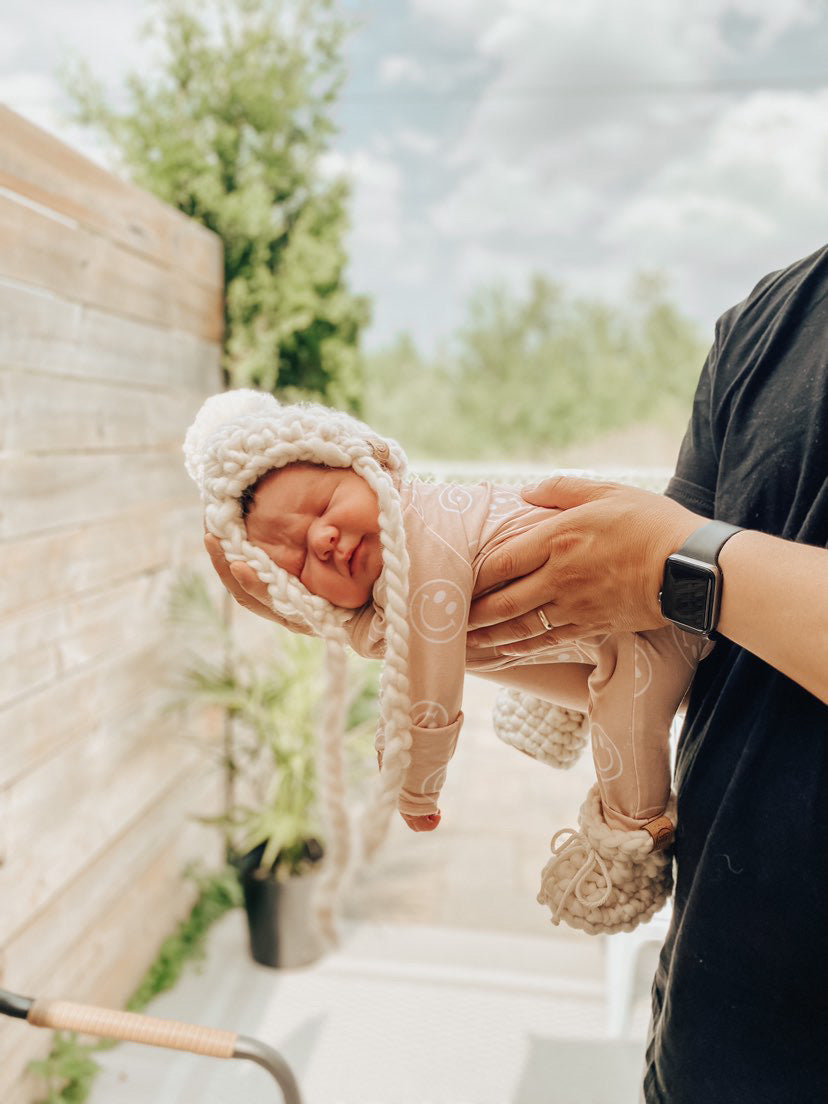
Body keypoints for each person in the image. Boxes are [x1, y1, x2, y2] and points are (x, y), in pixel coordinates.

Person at [460, 246, 827, 1104]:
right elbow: (674, 645)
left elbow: (682, 572)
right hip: (707, 1045)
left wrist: (677, 556)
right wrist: (398, 617)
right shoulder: (768, 321)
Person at [187, 390, 709, 936]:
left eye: (323, 504)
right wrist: (343, 622)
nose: (321, 539)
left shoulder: (422, 544)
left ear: (370, 466)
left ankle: (630, 838)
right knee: (499, 645)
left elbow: (428, 686)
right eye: (292, 561)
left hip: (658, 620)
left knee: (626, 725)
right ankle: (572, 705)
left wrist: (415, 780)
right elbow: (394, 639)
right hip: (599, 631)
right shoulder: (404, 555)